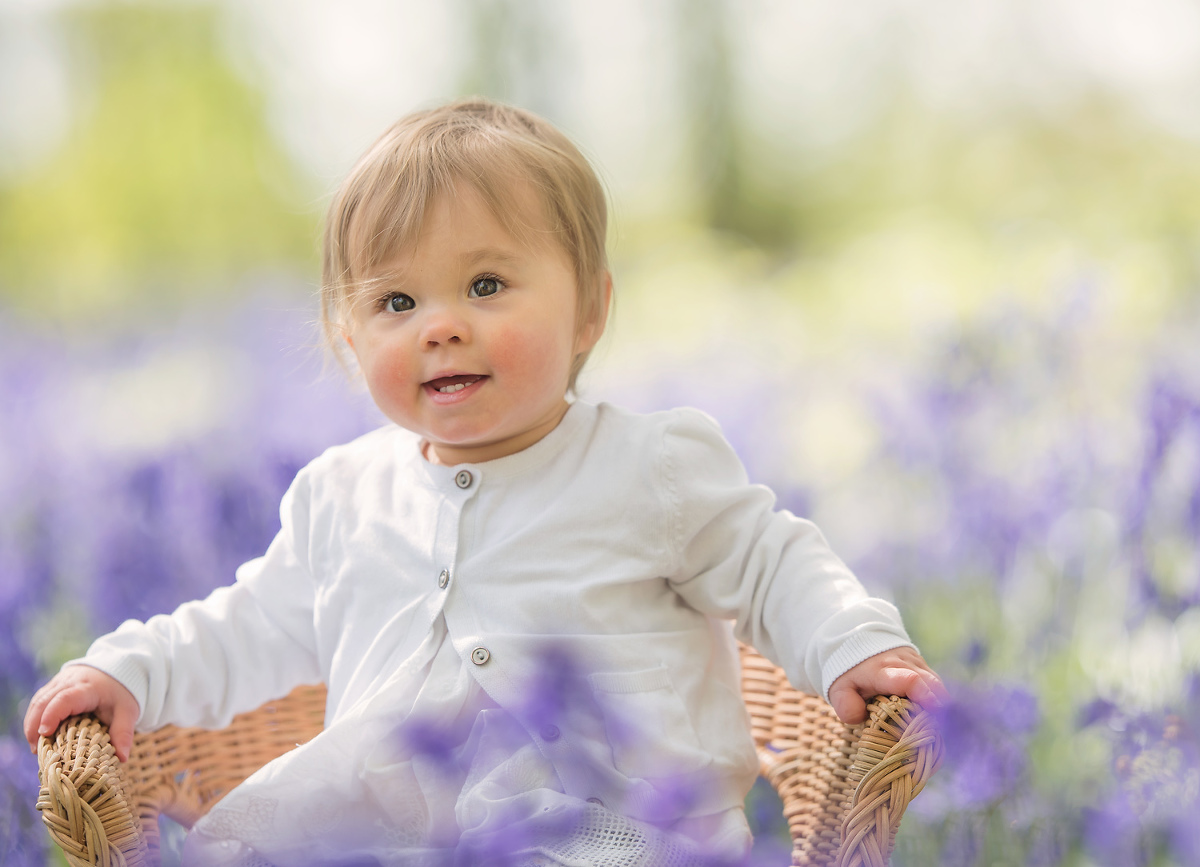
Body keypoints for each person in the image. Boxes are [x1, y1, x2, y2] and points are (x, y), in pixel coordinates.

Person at [24, 98, 945, 866]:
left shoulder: (648, 466)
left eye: (488, 285)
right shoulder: (342, 496)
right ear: (350, 338)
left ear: (589, 308)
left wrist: (852, 644)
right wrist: (130, 672)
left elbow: (773, 563)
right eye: (397, 302)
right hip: (385, 832)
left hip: (613, 830)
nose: (440, 326)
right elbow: (246, 626)